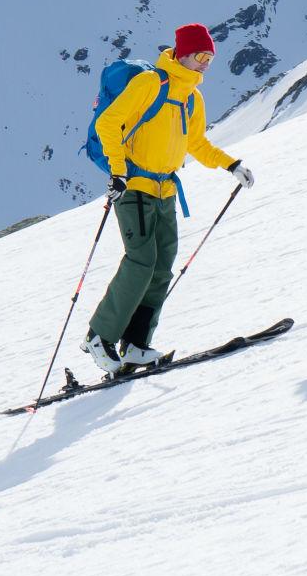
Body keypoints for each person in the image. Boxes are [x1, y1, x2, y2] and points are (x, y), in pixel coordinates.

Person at [80, 23, 255, 376]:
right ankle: (99, 337)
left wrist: (231, 164)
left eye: (210, 57)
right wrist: (117, 171)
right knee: (141, 260)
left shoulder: (192, 96)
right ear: (183, 53)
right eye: (201, 56)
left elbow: (196, 144)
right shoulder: (149, 84)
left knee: (162, 267)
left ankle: (136, 345)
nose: (206, 63)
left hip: (166, 190)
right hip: (135, 187)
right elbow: (108, 124)